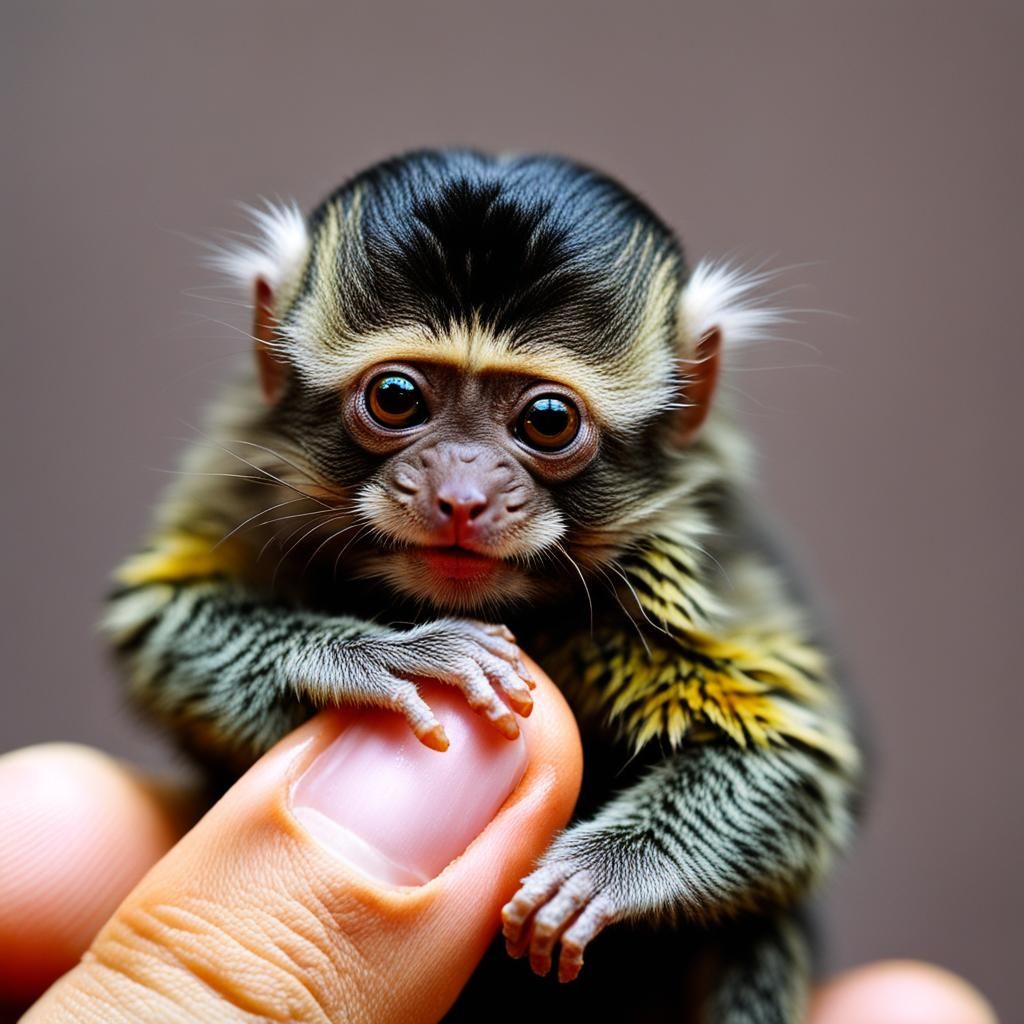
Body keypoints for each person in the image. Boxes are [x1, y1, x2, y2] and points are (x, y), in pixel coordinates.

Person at [0, 666, 995, 1023]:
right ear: (276, 349)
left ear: (684, 392)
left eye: (544, 424)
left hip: (635, 967)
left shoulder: (682, 573)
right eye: (397, 404)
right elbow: (168, 641)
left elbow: (800, 779)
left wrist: (628, 858)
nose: (462, 488)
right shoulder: (272, 508)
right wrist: (327, 656)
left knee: (759, 944)